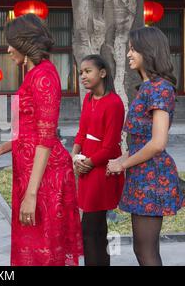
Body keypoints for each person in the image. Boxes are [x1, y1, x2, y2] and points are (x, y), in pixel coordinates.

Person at [0, 13, 83, 266]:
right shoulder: (31, 75)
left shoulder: (44, 76)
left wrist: (31, 194)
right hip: (30, 176)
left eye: (11, 43)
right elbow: (26, 133)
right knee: (30, 249)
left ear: (26, 43)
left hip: (45, 179)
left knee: (44, 252)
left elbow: (45, 138)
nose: (8, 49)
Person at [107, 26, 185, 266]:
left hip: (152, 176)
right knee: (143, 249)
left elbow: (158, 143)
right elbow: (141, 139)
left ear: (149, 52)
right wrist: (122, 161)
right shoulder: (147, 88)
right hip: (141, 173)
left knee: (146, 252)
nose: (129, 54)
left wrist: (123, 164)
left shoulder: (159, 88)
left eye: (134, 49)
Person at [71, 54, 125, 266]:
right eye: (81, 72)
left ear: (102, 73)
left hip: (101, 171)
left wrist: (88, 163)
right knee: (96, 230)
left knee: (90, 230)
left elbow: (110, 146)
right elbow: (81, 132)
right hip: (85, 167)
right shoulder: (88, 99)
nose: (83, 76)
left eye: (88, 71)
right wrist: (75, 156)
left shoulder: (114, 103)